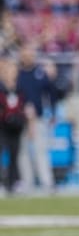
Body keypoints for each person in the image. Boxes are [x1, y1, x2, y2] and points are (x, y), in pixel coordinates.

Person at [16, 44, 57, 194]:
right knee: (23, 151)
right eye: (25, 54)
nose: (28, 56)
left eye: (30, 53)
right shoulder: (17, 74)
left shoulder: (40, 73)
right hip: (20, 118)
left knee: (41, 150)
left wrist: (52, 112)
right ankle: (27, 182)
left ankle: (47, 182)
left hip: (38, 117)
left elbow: (51, 93)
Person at [0, 58, 28, 195]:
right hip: (2, 125)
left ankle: (13, 183)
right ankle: (2, 182)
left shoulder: (20, 88)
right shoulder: (1, 88)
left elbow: (24, 106)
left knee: (14, 155)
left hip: (16, 126)